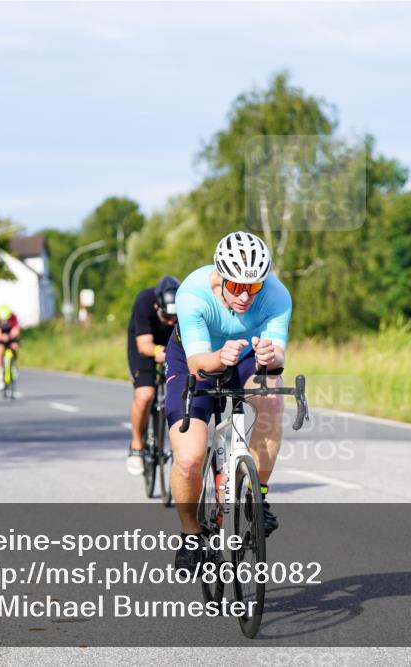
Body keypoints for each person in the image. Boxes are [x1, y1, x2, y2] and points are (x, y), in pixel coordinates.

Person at [164, 232, 291, 572]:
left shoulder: (277, 295)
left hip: (246, 354)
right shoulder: (192, 294)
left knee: (273, 400)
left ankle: (257, 496)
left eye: (255, 287)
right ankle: (190, 533)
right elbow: (198, 364)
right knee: (190, 457)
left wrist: (269, 357)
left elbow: (278, 356)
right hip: (197, 357)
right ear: (219, 276)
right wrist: (219, 357)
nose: (246, 297)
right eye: (237, 287)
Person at [125, 275, 179, 474]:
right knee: (145, 395)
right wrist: (158, 352)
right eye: (166, 318)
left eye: (175, 319)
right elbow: (144, 345)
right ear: (157, 307)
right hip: (145, 344)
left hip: (174, 346)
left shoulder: (187, 303)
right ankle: (137, 445)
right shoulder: (144, 302)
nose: (170, 322)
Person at [0, 304, 20, 391]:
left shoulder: (13, 317)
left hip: (10, 336)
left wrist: (11, 336)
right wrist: (2, 337)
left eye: (6, 319)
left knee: (15, 347)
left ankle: (13, 364)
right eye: (2, 319)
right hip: (0, 337)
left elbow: (16, 330)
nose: (4, 321)